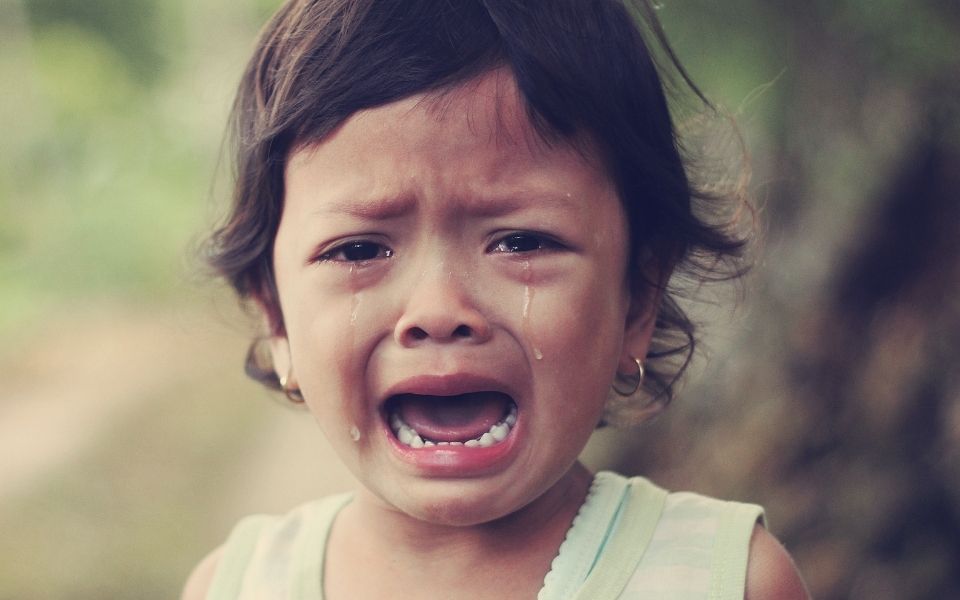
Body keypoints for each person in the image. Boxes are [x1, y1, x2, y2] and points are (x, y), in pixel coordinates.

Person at [183, 0, 809, 598]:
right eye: (357, 251)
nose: (437, 311)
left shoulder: (725, 581)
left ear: (636, 301)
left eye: (520, 241)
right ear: (276, 320)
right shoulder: (234, 587)